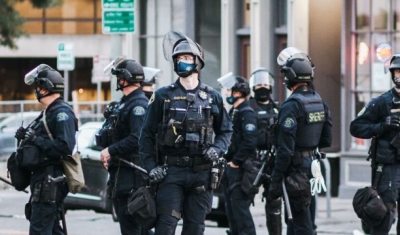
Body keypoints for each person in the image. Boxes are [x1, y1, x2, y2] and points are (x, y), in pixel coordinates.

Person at [139, 31, 233, 235]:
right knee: (165, 226)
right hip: (171, 172)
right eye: (179, 59)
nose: (183, 62)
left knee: (195, 228)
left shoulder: (212, 97)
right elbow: (146, 135)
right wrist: (151, 167)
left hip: (202, 173)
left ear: (198, 62)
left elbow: (226, 131)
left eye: (187, 58)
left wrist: (217, 149)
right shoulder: (163, 96)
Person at [268, 47, 332, 235]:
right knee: (304, 216)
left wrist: (276, 178)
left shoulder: (291, 106)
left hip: (295, 168)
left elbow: (285, 149)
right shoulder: (320, 101)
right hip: (313, 165)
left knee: (300, 220)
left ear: (290, 78)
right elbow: (327, 139)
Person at [14, 64, 78, 235]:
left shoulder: (61, 113)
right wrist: (24, 137)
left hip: (51, 180)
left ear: (46, 88)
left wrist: (36, 139)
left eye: (39, 87)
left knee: (40, 229)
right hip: (43, 179)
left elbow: (65, 147)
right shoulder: (47, 113)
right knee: (51, 229)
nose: (36, 90)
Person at [350, 54, 400, 235]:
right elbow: (356, 127)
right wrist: (382, 126)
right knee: (384, 217)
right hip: (387, 169)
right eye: (398, 71)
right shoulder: (381, 102)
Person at [98, 57, 149, 235]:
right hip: (121, 173)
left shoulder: (138, 106)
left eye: (119, 77)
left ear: (124, 79)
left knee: (132, 227)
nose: (117, 81)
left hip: (132, 176)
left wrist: (111, 150)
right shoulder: (124, 103)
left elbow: (137, 138)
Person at [218, 74, 258, 235]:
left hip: (241, 169)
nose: (227, 93)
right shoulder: (234, 111)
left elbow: (249, 141)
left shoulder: (246, 113)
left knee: (240, 209)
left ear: (238, 92)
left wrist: (236, 162)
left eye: (229, 90)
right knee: (231, 208)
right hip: (230, 167)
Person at [248, 68, 281, 235]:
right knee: (243, 198)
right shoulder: (248, 107)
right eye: (259, 85)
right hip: (252, 160)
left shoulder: (277, 108)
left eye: (265, 85)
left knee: (274, 201)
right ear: (253, 87)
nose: (262, 88)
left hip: (272, 161)